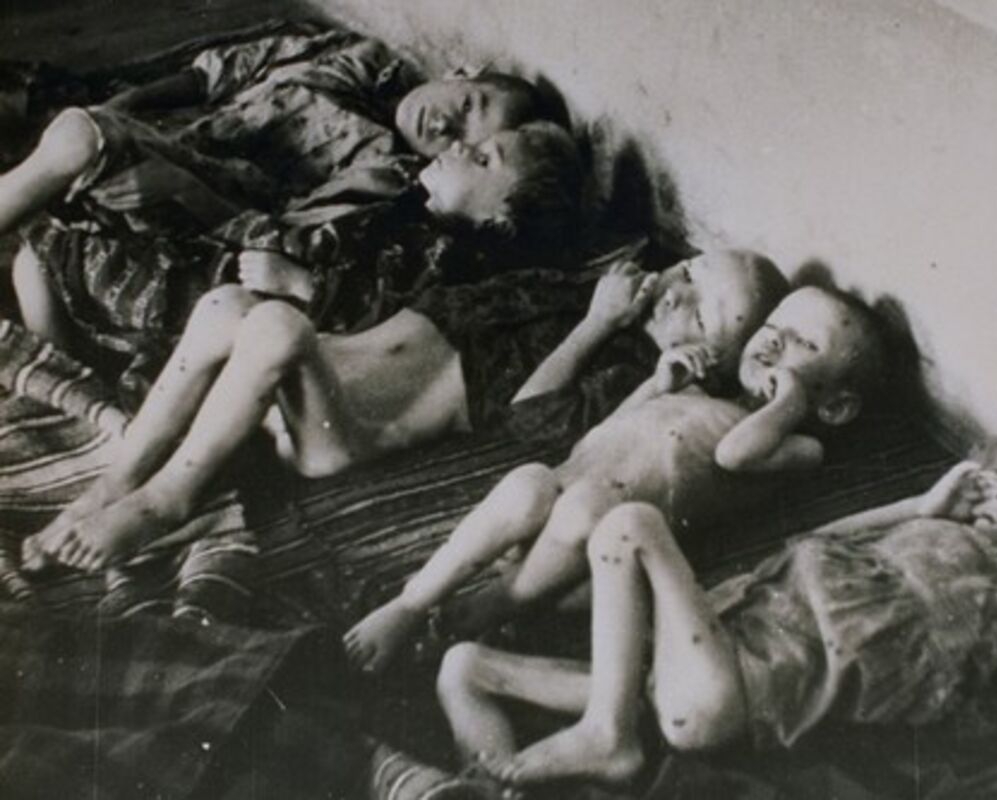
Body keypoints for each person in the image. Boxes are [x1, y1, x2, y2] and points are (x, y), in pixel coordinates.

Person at [435, 427, 997, 788]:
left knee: (630, 527)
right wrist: (919, 507)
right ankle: (493, 781)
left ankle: (608, 734)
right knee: (463, 667)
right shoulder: (935, 536)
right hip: (686, 662)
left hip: (740, 691)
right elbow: (815, 543)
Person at [20, 250, 781, 574]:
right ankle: (113, 480)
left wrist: (595, 324)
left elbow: (528, 420)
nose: (675, 292)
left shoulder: (623, 371)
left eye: (701, 311)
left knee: (275, 329)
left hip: (343, 434)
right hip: (313, 368)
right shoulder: (575, 286)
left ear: (711, 357)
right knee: (228, 305)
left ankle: (165, 499)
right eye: (689, 271)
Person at [343, 281, 889, 673]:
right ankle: (412, 602)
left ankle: (481, 610)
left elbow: (733, 454)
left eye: (804, 344)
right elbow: (607, 431)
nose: (773, 342)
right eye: (772, 327)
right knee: (528, 480)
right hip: (552, 500)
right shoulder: (702, 392)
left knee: (586, 510)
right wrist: (656, 385)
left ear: (836, 407)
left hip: (584, 562)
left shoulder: (800, 446)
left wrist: (788, 402)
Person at [2, 28, 560, 361]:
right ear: (463, 72)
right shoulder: (356, 57)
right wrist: (127, 107)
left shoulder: (389, 176)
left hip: (185, 201)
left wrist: (179, 184)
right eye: (467, 107)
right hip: (157, 135)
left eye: (464, 140)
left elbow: (278, 228)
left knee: (73, 152)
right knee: (64, 159)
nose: (443, 130)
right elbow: (214, 74)